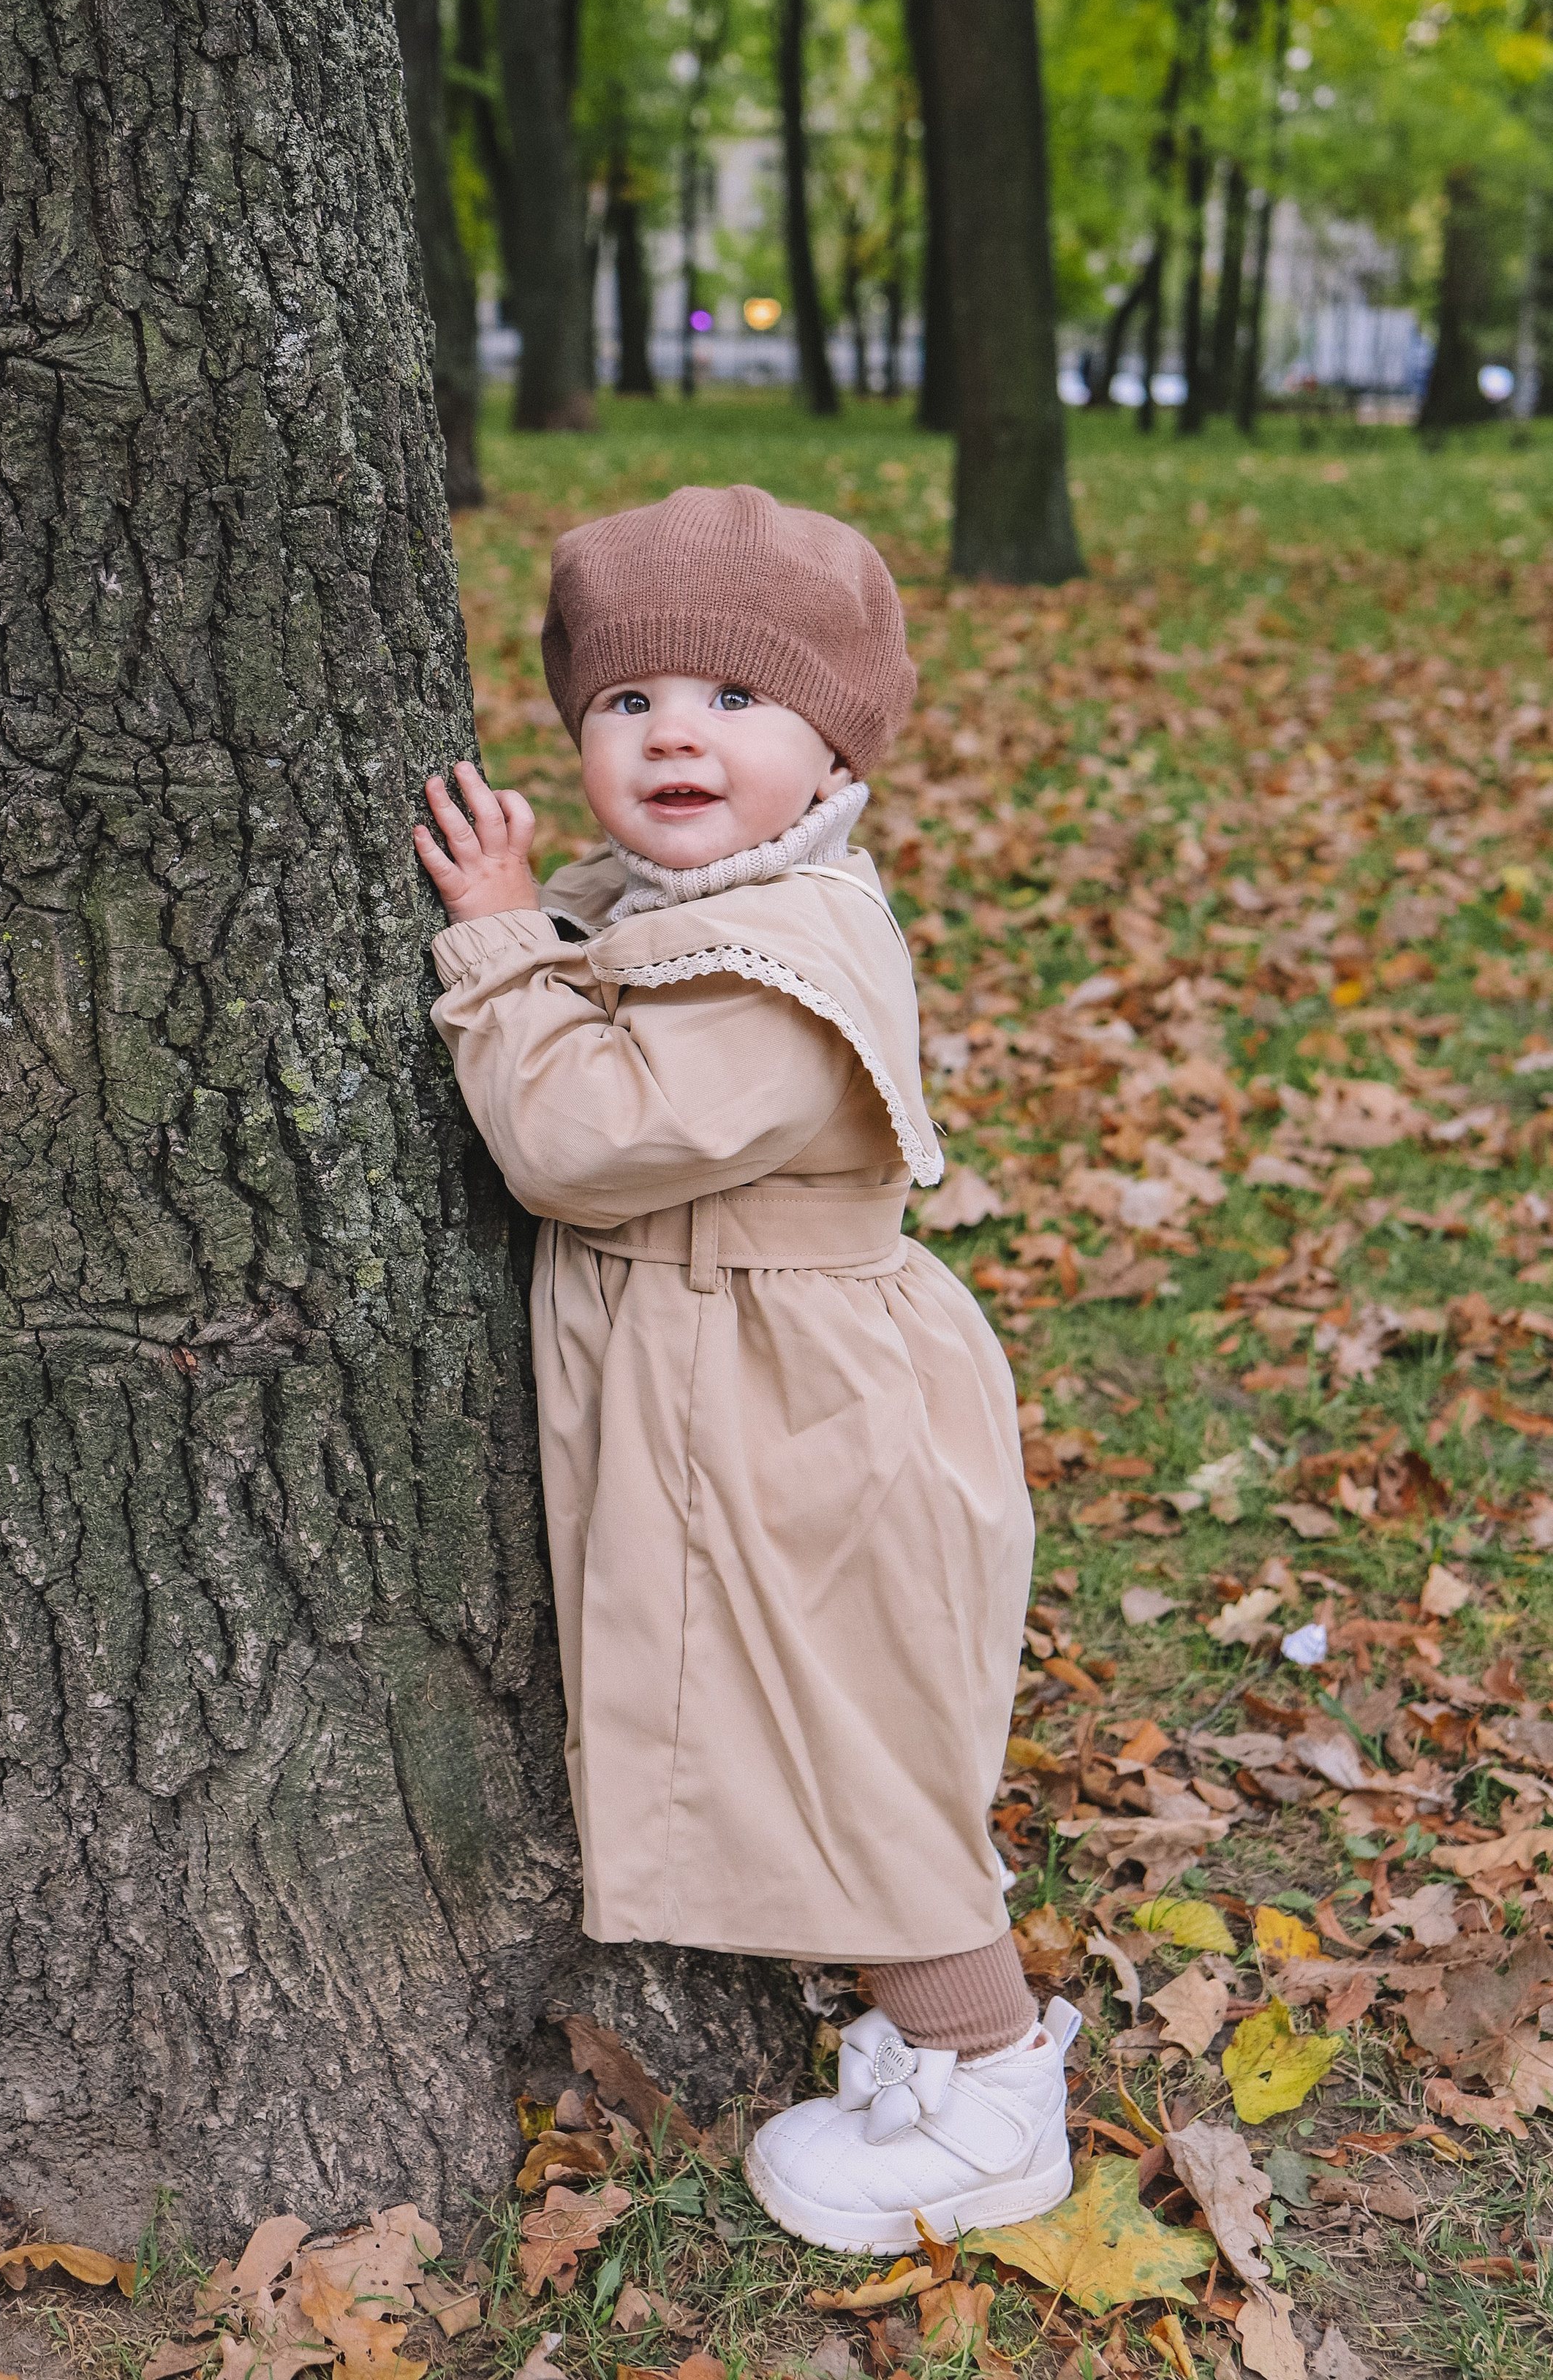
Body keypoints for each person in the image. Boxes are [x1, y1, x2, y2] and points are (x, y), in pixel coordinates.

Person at [414, 483, 1078, 2254]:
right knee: (790, 1715)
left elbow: (578, 1135)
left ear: (833, 748)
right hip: (736, 1374)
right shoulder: (699, 895)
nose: (673, 735)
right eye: (626, 700)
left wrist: (498, 944)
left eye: (735, 698)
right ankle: (935, 2051)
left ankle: (989, 2083)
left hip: (797, 1405)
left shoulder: (788, 955)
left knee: (843, 1730)